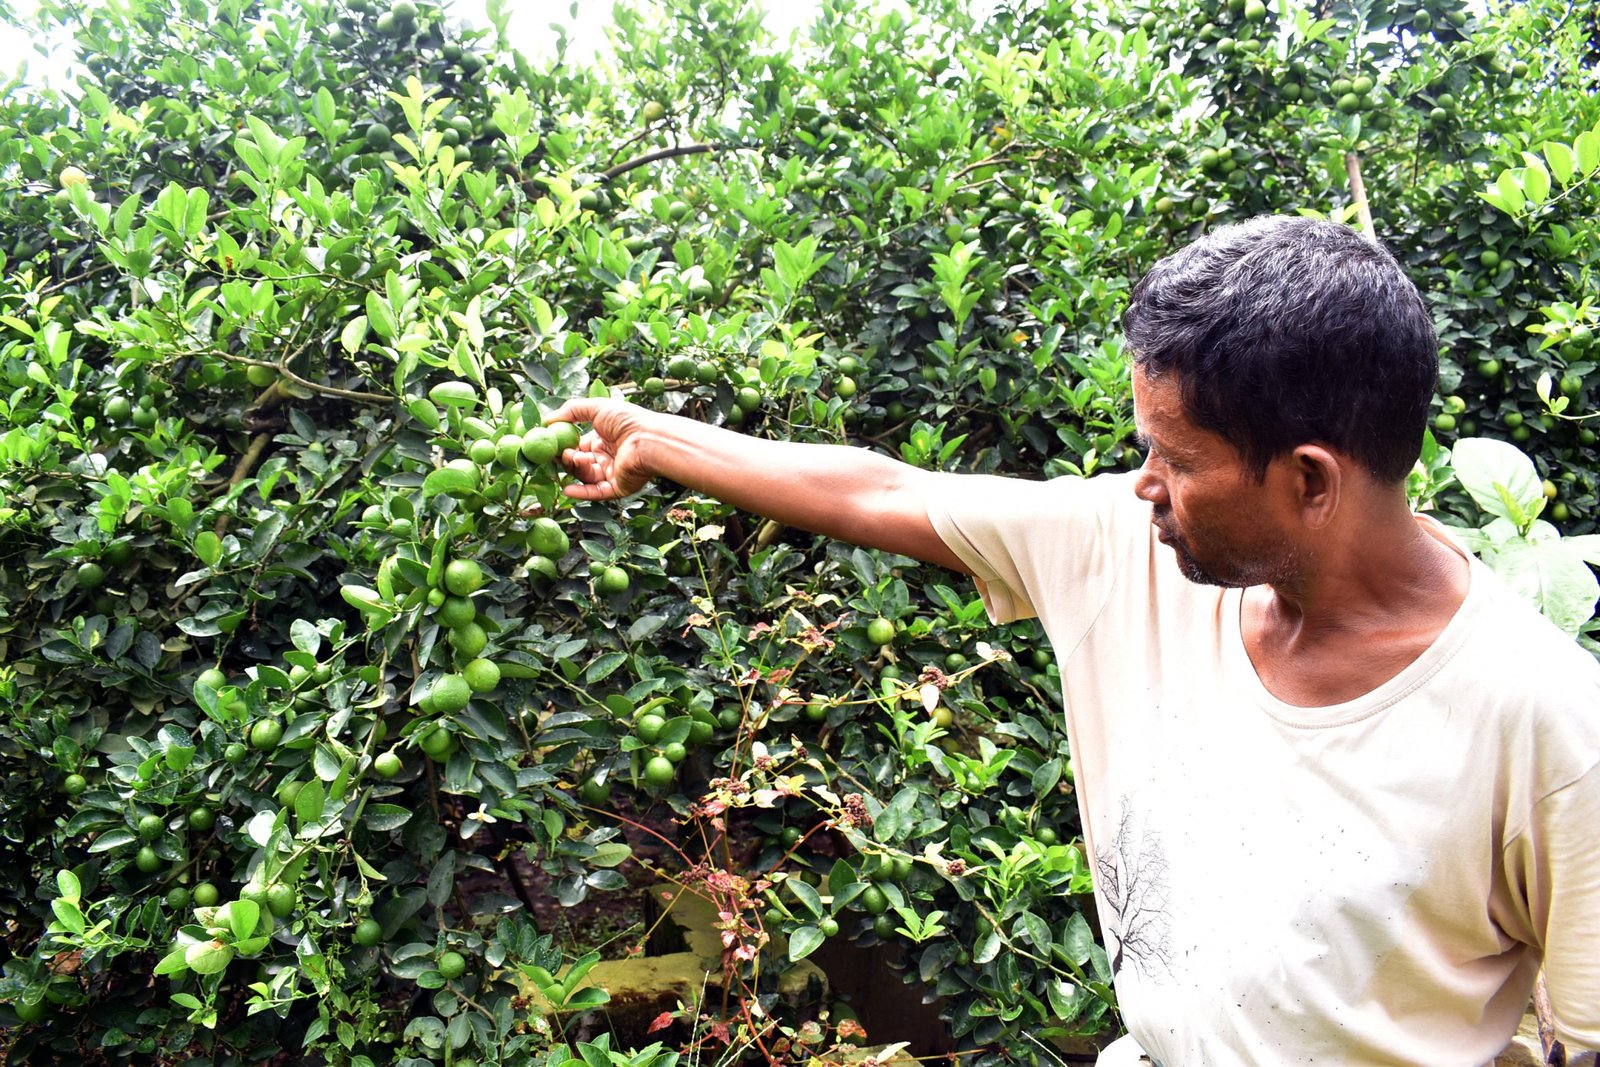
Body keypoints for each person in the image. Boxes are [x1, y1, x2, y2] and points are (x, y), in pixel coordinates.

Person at [547, 216, 1600, 1066]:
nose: (1143, 485)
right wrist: (652, 436)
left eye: (1175, 458)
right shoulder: (1124, 551)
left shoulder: (1544, 721)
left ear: (1310, 479)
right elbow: (885, 491)